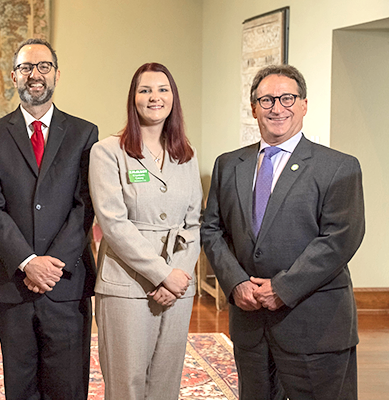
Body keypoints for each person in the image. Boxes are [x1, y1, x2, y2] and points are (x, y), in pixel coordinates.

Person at [201, 64, 365, 400]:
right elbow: (212, 229)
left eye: (287, 98)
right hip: (249, 323)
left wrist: (283, 288)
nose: (277, 108)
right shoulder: (229, 164)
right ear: (253, 108)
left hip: (314, 325)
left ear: (304, 104)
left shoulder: (338, 166)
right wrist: (235, 282)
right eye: (267, 100)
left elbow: (340, 238)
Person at [0, 38, 98, 400]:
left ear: (57, 74)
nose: (35, 75)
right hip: (14, 282)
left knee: (68, 385)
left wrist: (52, 264)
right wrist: (28, 262)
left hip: (66, 282)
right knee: (21, 384)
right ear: (13, 76)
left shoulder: (83, 133)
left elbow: (85, 204)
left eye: (43, 66)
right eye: (26, 68)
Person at [88, 63, 200, 399]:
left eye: (163, 89)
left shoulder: (187, 155)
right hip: (126, 283)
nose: (155, 97)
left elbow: (194, 223)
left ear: (173, 98)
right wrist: (162, 274)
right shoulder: (107, 151)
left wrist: (179, 274)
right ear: (133, 98)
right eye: (145, 90)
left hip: (179, 286)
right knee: (128, 385)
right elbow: (113, 223)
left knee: (166, 383)